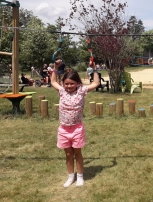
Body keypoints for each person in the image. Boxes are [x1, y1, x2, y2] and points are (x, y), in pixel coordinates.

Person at [51, 58, 100, 188]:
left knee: (77, 153)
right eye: (66, 83)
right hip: (64, 129)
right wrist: (56, 67)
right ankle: (70, 176)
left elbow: (95, 83)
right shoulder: (61, 91)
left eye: (72, 83)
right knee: (68, 154)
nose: (69, 86)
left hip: (77, 128)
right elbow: (53, 81)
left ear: (78, 83)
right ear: (63, 83)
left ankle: (79, 176)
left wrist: (94, 69)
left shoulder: (81, 91)